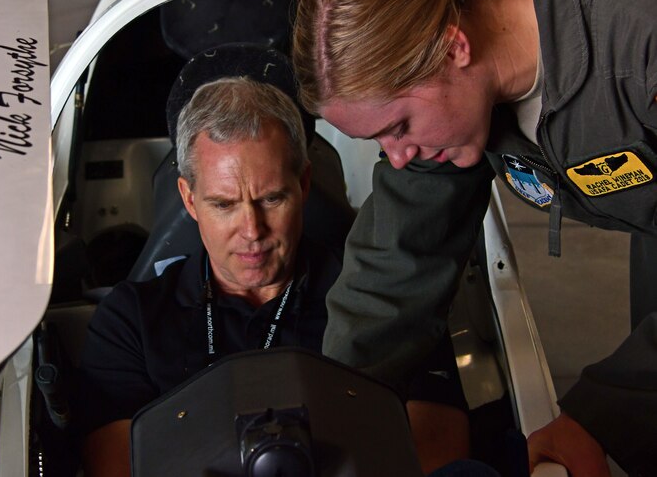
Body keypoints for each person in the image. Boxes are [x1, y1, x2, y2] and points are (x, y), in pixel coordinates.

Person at [292, 0, 657, 476]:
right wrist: (333, 415)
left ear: (453, 46)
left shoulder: (641, 30)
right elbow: (395, 263)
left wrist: (602, 413)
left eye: (399, 126)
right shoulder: (457, 100)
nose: (396, 156)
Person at [76, 75, 497, 477]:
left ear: (305, 184)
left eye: (271, 198)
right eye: (224, 204)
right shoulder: (130, 321)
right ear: (189, 199)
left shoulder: (388, 296)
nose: (252, 230)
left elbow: (440, 456)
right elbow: (117, 466)